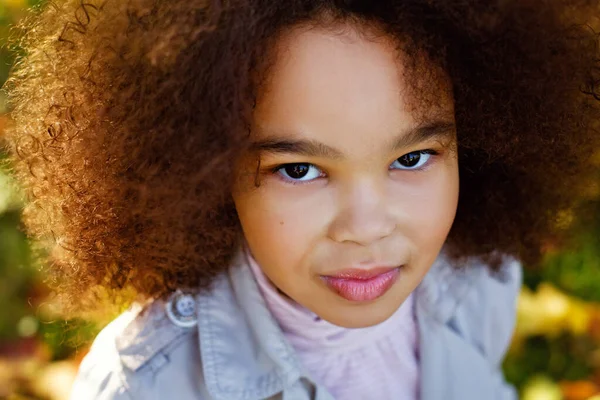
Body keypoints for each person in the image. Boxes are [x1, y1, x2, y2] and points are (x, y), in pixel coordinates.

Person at [3, 0, 600, 399]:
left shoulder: (476, 281)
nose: (366, 229)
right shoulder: (144, 384)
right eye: (299, 168)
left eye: (411, 159)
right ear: (204, 168)